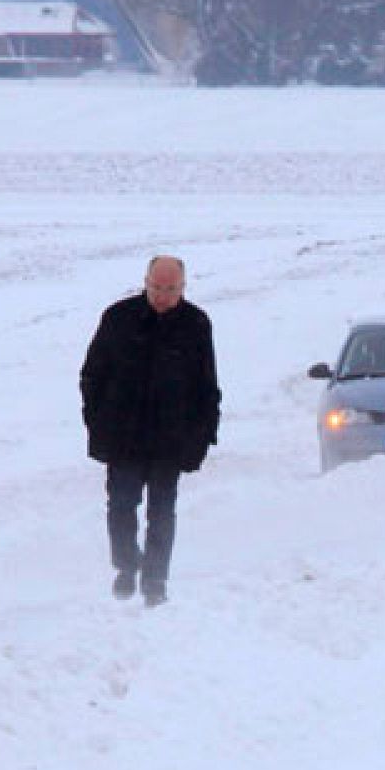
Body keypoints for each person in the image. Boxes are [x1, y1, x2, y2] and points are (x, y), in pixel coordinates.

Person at [80, 256, 220, 606]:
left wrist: (202, 437)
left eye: (170, 289)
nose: (162, 296)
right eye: (156, 287)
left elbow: (206, 387)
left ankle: (155, 580)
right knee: (121, 506)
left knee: (162, 512)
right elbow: (92, 376)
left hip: (170, 441)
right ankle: (126, 567)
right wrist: (98, 422)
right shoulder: (118, 318)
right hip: (123, 438)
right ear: (145, 282)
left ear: (183, 288)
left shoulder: (196, 324)